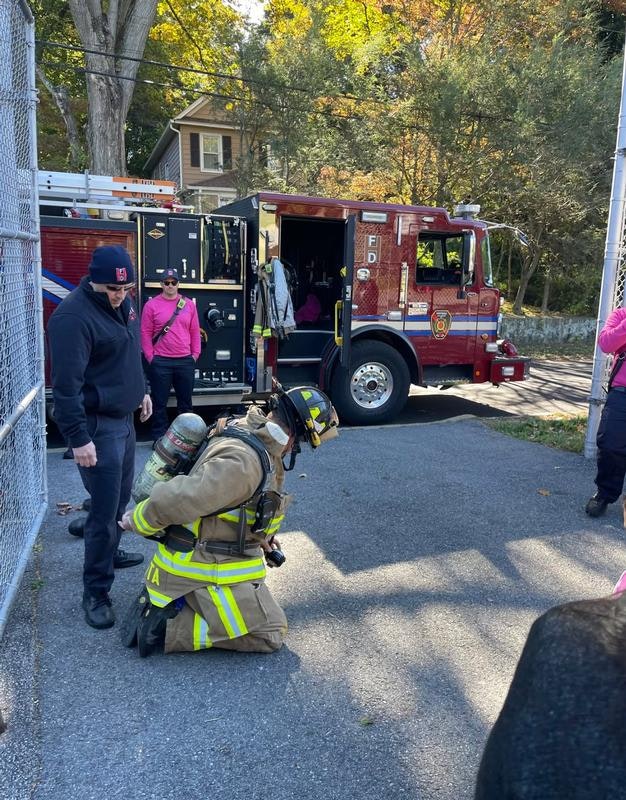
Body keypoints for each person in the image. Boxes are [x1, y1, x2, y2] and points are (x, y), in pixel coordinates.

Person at [118, 386, 339, 657]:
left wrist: (263, 539)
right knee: (270, 632)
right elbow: (179, 498)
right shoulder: (244, 463)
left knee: (256, 607)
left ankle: (178, 603)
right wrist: (137, 520)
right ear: (295, 436)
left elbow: (240, 504)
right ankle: (166, 626)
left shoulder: (250, 429)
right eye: (303, 442)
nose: (297, 448)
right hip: (196, 567)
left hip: (205, 554)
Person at [47, 245, 152, 630]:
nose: (120, 296)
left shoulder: (124, 304)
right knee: (105, 514)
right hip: (97, 427)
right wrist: (77, 439)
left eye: (126, 289)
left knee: (120, 500)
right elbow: (65, 387)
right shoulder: (73, 318)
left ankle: (110, 551)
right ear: (93, 281)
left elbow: (129, 354)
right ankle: (96, 590)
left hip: (124, 421)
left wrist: (142, 391)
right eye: (111, 289)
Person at [140, 268, 201, 442]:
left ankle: (188, 439)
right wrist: (151, 358)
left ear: (178, 284)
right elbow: (145, 333)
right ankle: (160, 438)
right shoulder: (151, 306)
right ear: (161, 285)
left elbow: (195, 331)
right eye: (166, 283)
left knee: (185, 404)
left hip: (185, 361)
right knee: (159, 404)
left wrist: (195, 354)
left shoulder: (188, 304)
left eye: (173, 282)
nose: (170, 286)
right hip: (161, 362)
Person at [586, 306, 626, 517]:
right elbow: (606, 343)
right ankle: (605, 493)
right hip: (622, 391)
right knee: (610, 444)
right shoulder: (621, 315)